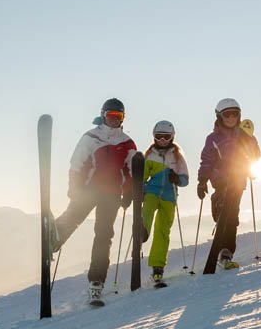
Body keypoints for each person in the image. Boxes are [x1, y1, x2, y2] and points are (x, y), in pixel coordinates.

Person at [53, 98, 138, 306]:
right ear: (103, 115)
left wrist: (129, 192)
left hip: (111, 194)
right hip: (89, 189)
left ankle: (96, 283)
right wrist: (74, 187)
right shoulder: (91, 137)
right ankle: (54, 238)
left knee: (104, 234)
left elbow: (131, 170)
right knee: (74, 216)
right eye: (111, 116)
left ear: (123, 119)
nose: (114, 121)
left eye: (119, 117)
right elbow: (76, 164)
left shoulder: (127, 142)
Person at [197, 98, 261, 273]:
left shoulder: (245, 135)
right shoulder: (213, 138)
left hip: (238, 179)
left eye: (235, 114)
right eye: (227, 114)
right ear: (219, 116)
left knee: (232, 215)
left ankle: (226, 253)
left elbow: (256, 154)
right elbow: (207, 160)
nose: (231, 117)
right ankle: (218, 204)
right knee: (225, 205)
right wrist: (202, 180)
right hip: (220, 178)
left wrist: (251, 156)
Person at [141, 120, 189, 287]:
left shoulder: (177, 156)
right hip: (152, 192)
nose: (162, 140)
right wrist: (141, 190)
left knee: (162, 231)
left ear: (172, 137)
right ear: (154, 137)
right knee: (147, 209)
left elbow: (185, 179)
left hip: (169, 198)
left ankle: (158, 267)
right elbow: (142, 177)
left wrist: (177, 178)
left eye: (166, 137)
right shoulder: (149, 155)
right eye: (159, 137)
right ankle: (143, 230)